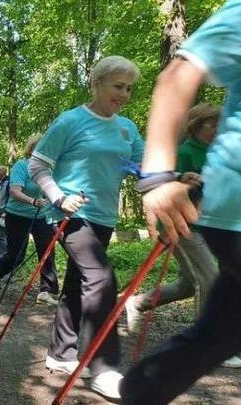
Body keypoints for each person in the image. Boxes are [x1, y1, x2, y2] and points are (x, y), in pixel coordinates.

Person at [121, 2, 241, 403]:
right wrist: (158, 178)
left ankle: (142, 390)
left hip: (229, 216)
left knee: (217, 335)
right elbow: (179, 74)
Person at [29, 55, 144, 400]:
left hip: (104, 217)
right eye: (117, 86)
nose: (124, 94)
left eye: (129, 88)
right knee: (102, 280)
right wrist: (59, 196)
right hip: (69, 215)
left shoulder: (128, 128)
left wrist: (174, 179)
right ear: (96, 83)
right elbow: (38, 164)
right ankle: (103, 368)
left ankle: (60, 354)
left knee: (79, 283)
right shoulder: (71, 121)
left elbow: (143, 169)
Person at [124, 104, 241, 369]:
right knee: (210, 278)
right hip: (183, 227)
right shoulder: (183, 153)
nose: (216, 129)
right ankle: (209, 345)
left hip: (212, 228)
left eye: (219, 125)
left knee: (187, 285)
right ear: (197, 125)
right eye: (211, 124)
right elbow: (157, 187)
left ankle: (135, 303)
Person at [0, 135, 58, 306]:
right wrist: (33, 201)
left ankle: (45, 291)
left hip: (40, 216)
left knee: (47, 250)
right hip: (17, 215)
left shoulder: (47, 170)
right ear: (33, 149)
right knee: (16, 255)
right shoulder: (22, 166)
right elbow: (15, 192)